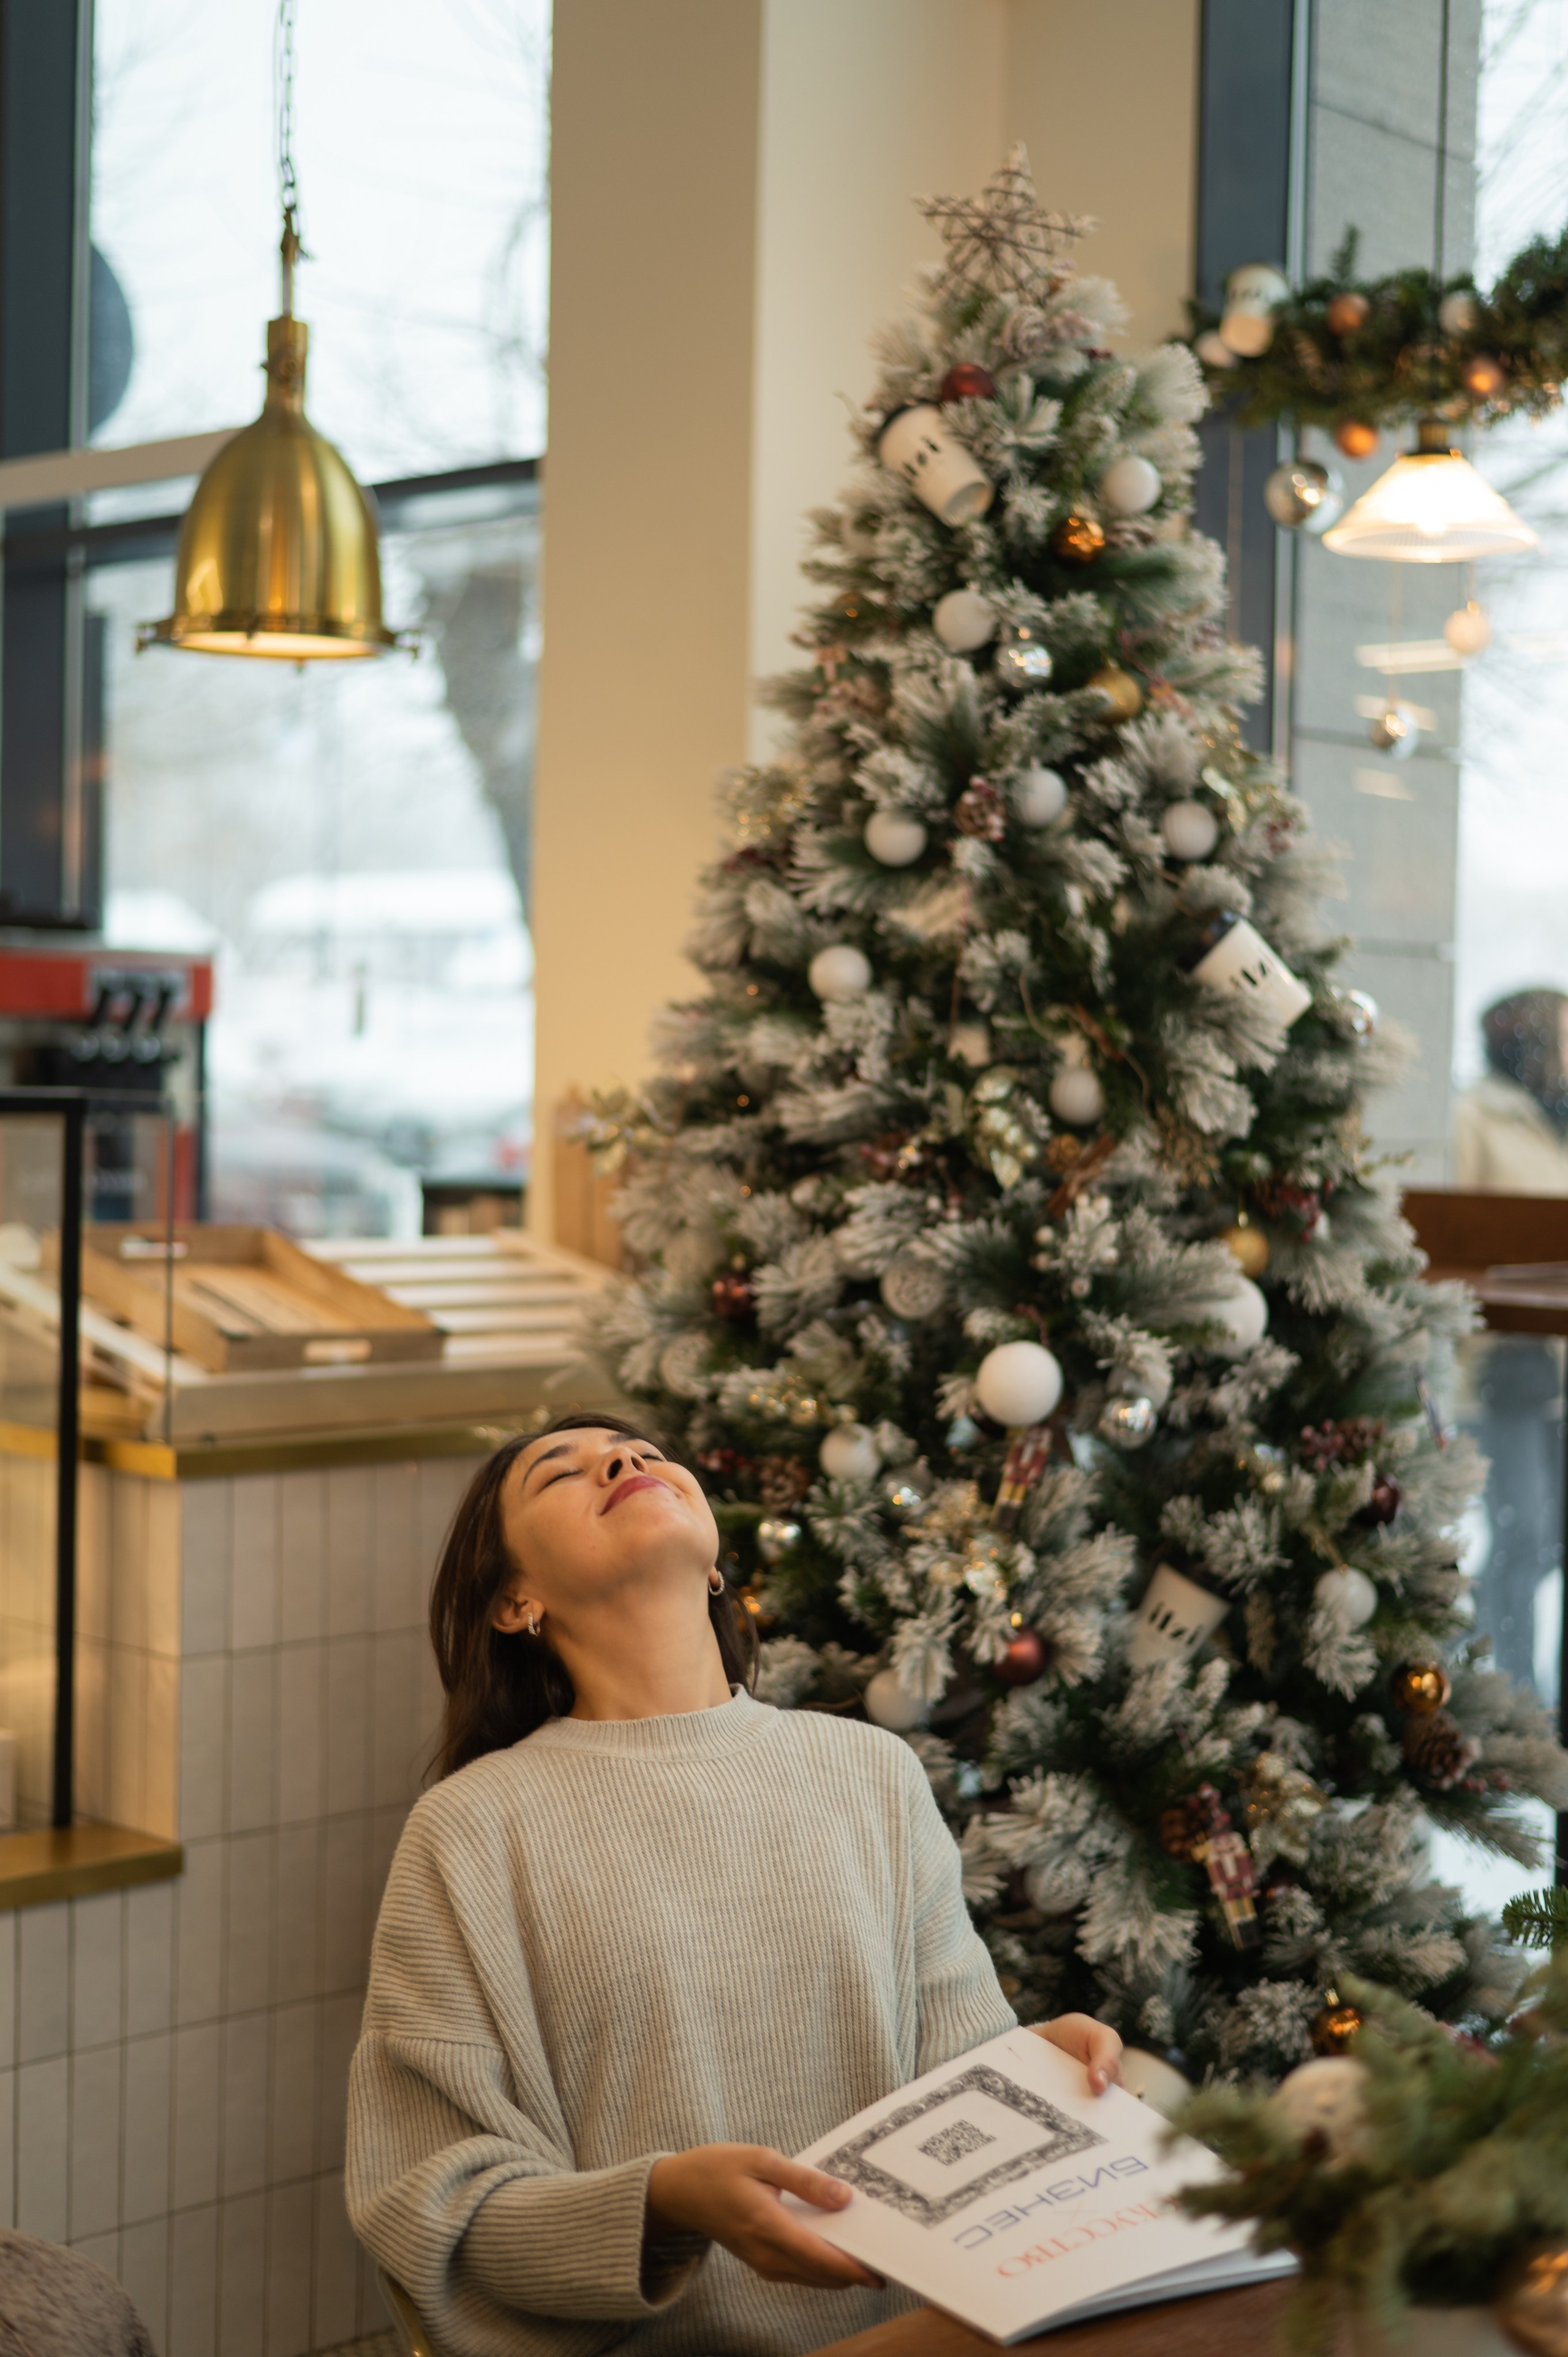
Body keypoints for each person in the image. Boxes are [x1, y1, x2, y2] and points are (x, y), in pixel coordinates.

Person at [346, 1412, 1121, 2357]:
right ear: (515, 1601)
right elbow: (433, 2207)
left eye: (644, 1454)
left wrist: (1039, 2067)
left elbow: (957, 2083)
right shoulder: (470, 1833)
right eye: (563, 1472)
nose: (626, 1461)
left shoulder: (871, 1774)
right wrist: (661, 2206)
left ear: (717, 1566)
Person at [1453, 987, 1568, 1192]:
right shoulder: (1469, 1119)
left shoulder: (1557, 1116)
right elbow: (1444, 1217)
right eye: (1566, 1038)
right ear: (1535, 1044)